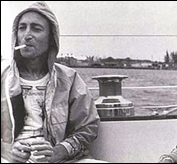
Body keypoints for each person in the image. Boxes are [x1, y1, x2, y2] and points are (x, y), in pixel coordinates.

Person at [1, 1, 105, 163]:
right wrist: (8, 151)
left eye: (36, 28)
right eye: (22, 28)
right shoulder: (2, 77)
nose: (27, 35)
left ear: (51, 39)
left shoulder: (69, 79)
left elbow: (87, 126)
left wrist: (59, 151)